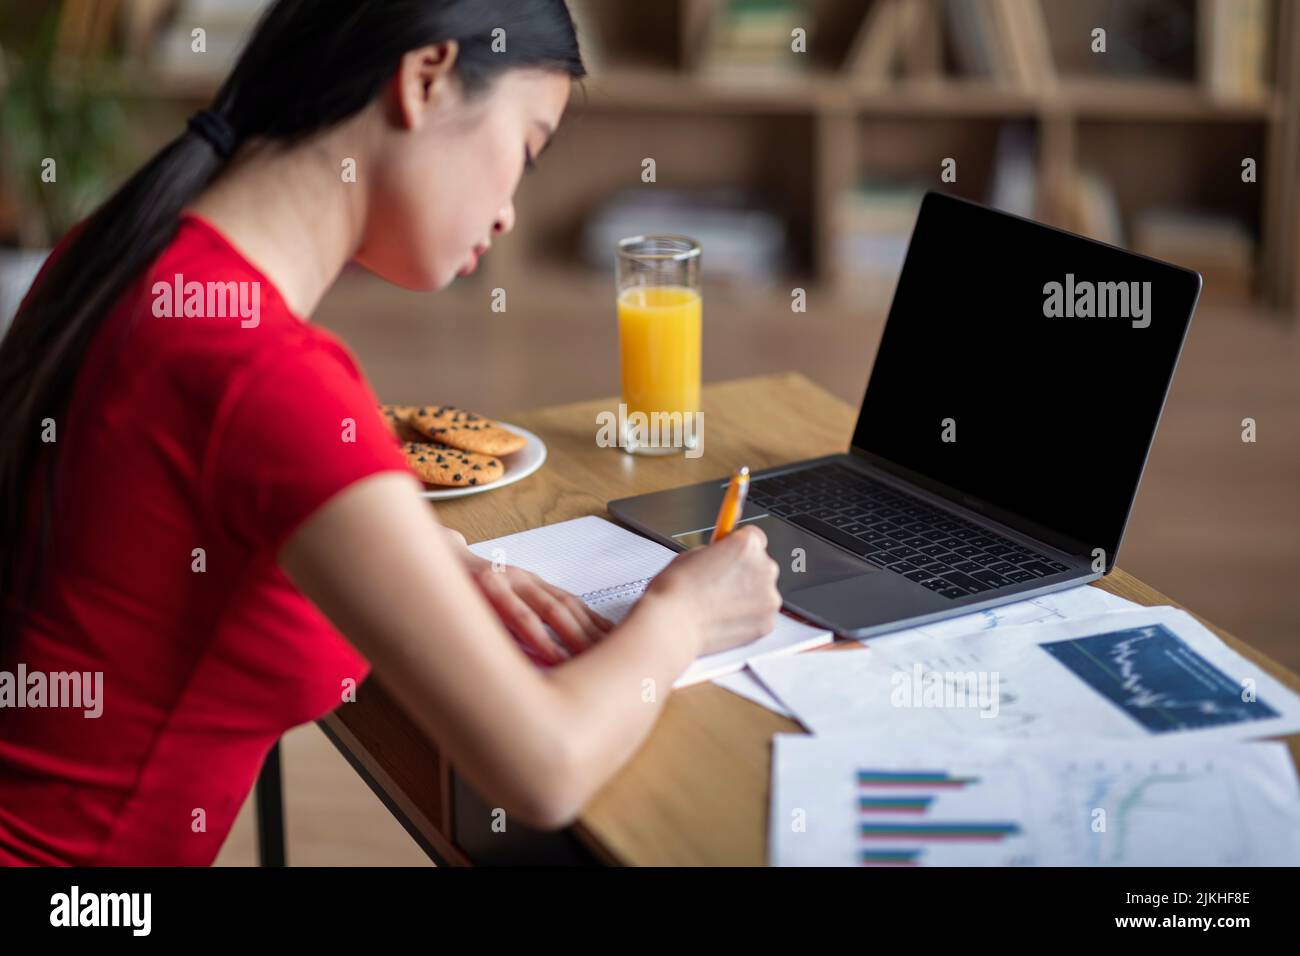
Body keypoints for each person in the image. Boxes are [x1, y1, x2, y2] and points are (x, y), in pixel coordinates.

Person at [0, 0, 781, 865]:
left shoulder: (117, 253)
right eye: (523, 149)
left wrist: (427, 555)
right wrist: (683, 615)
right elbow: (544, 767)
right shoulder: (263, 372)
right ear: (426, 78)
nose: (512, 211)